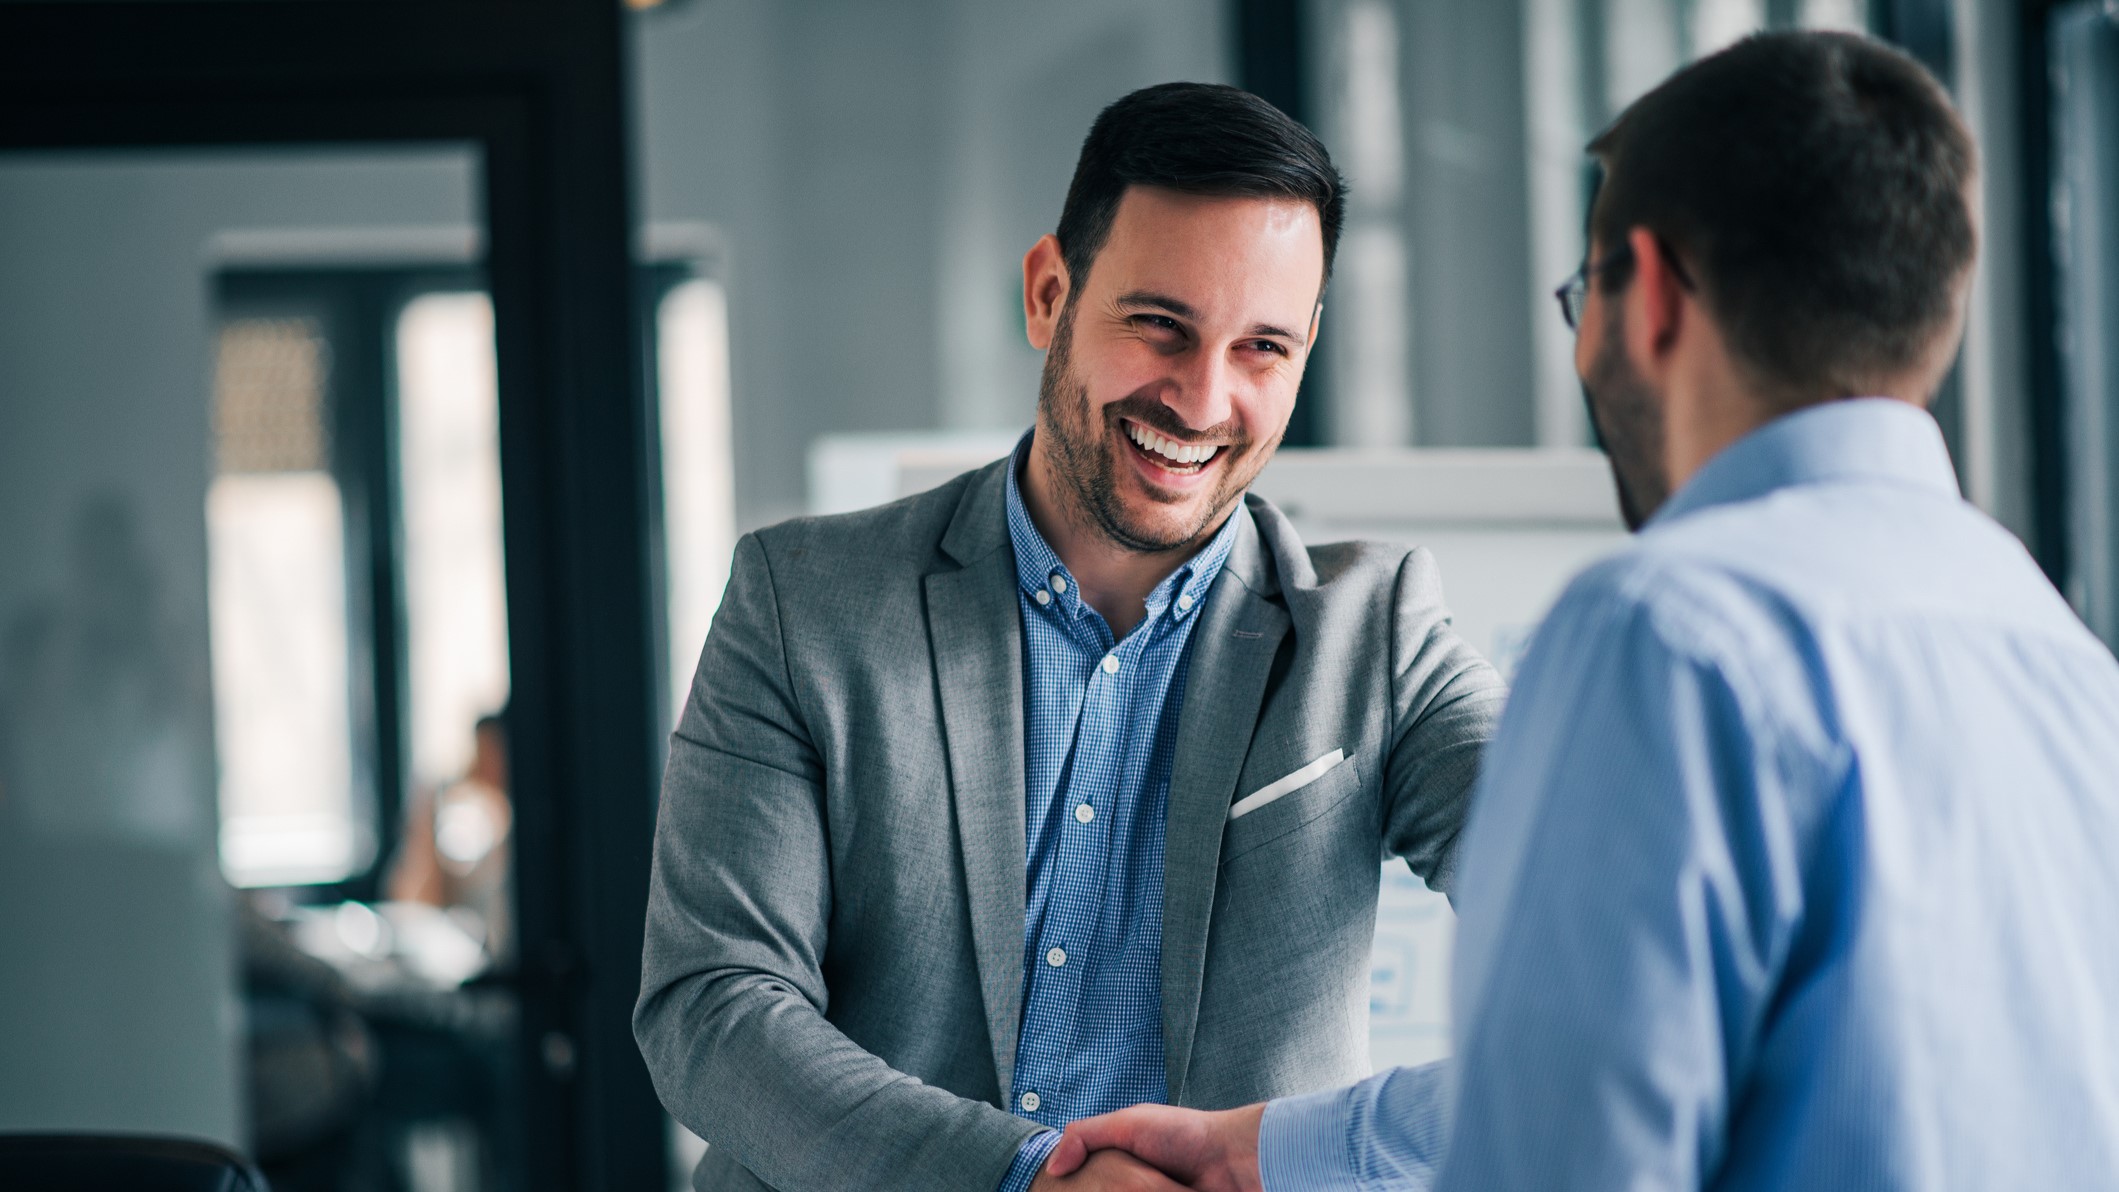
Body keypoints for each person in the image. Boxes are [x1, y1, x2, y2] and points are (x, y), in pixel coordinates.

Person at [1045, 31, 2119, 1191]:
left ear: (1646, 292)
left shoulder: (1668, 631)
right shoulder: (2064, 659)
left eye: (1580, 295)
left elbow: (1567, 1152)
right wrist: (1271, 1149)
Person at [633, 83, 1506, 1192]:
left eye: (1263, 349)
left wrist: (1326, 1156)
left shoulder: (1375, 639)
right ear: (1050, 291)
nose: (1201, 398)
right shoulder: (802, 602)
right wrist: (1030, 1179)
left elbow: (1615, 938)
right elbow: (710, 1007)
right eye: (1160, 326)